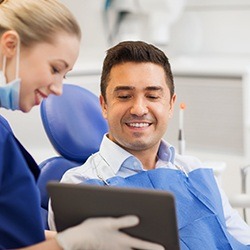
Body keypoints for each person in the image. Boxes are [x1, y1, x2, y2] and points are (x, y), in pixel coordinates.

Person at [50, 40, 250, 249]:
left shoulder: (197, 171)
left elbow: (243, 239)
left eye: (152, 96)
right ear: (104, 105)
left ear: (171, 104)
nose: (138, 109)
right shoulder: (78, 187)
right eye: (124, 96)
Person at [0, 1, 165, 250]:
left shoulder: (189, 168)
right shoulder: (79, 180)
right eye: (54, 68)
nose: (57, 88)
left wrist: (71, 239)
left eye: (63, 75)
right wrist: (66, 244)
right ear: (10, 45)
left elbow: (14, 234)